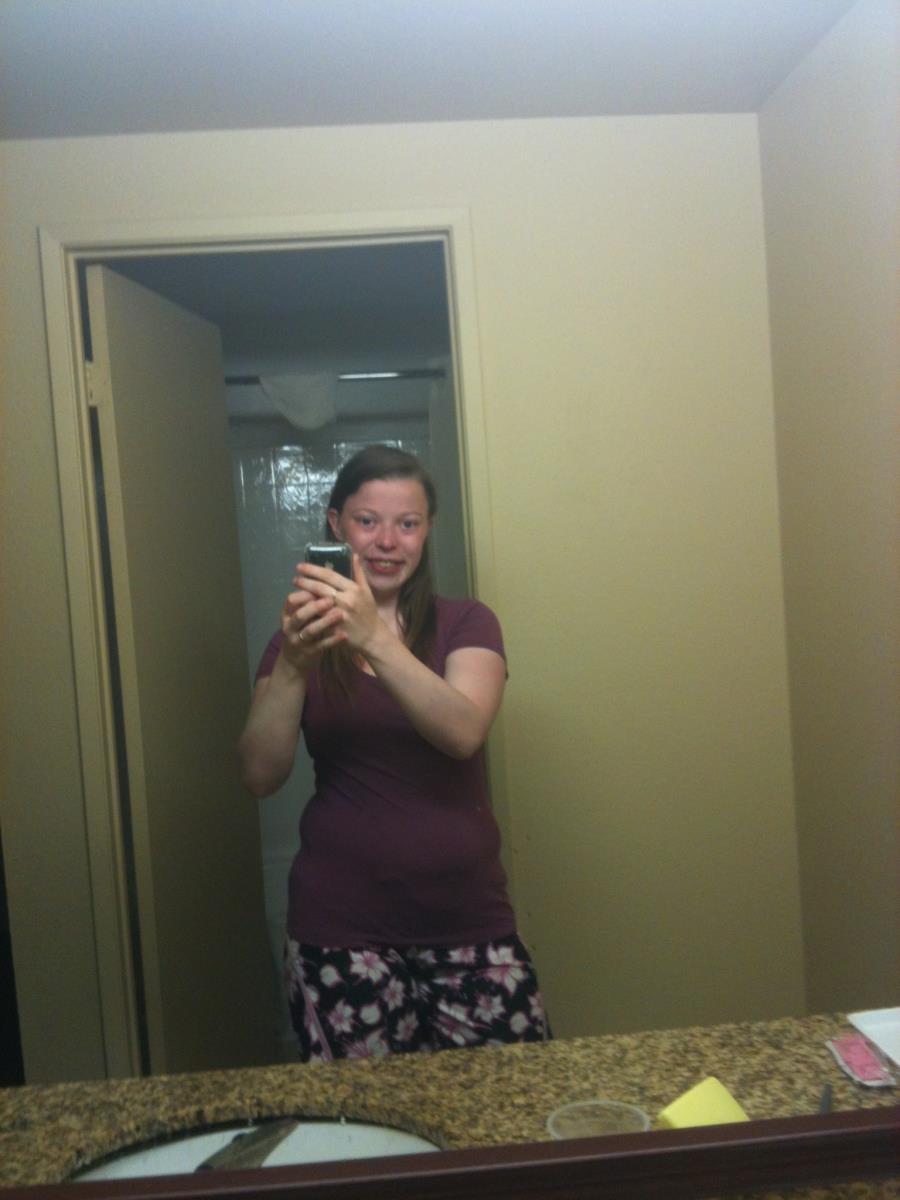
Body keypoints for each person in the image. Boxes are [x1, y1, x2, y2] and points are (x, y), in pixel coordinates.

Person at [238, 444, 549, 1061]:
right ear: (336, 525)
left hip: (468, 920)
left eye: (407, 523)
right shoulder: (295, 640)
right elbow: (258, 774)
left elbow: (462, 731)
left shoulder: (468, 623)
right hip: (338, 929)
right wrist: (296, 662)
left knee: (509, 1106)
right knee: (365, 1116)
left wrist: (373, 638)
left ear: (427, 530)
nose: (387, 541)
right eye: (367, 521)